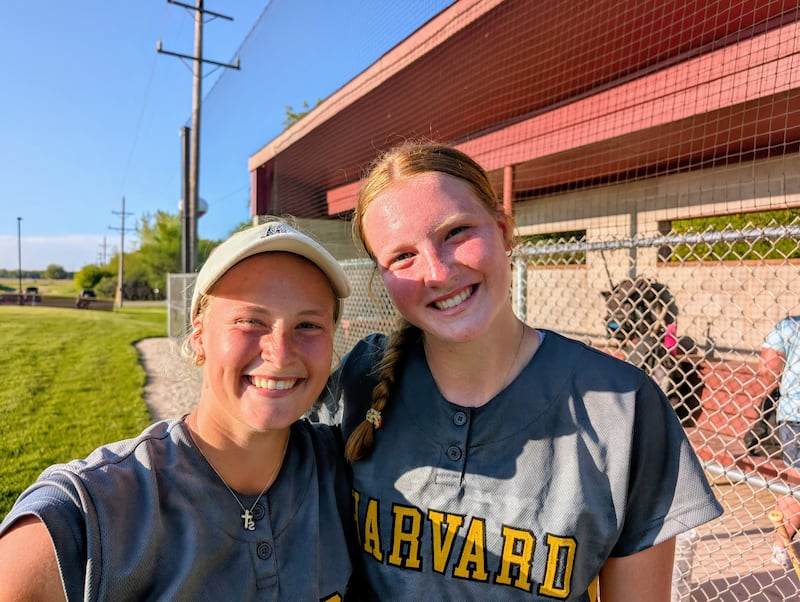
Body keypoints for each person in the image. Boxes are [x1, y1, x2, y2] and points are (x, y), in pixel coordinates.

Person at [320, 140, 723, 600]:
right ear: (383, 277)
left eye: (455, 232)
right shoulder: (361, 380)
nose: (437, 272)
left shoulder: (623, 406)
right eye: (402, 256)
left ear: (503, 228)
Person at [0, 220, 363, 600]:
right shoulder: (101, 510)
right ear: (200, 337)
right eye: (250, 321)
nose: (281, 352)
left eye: (308, 325)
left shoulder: (342, 470)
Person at [758, 316, 800, 567]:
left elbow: (767, 368)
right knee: (796, 484)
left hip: (793, 414)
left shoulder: (791, 325)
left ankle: (780, 546)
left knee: (796, 482)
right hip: (796, 417)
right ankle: (781, 546)